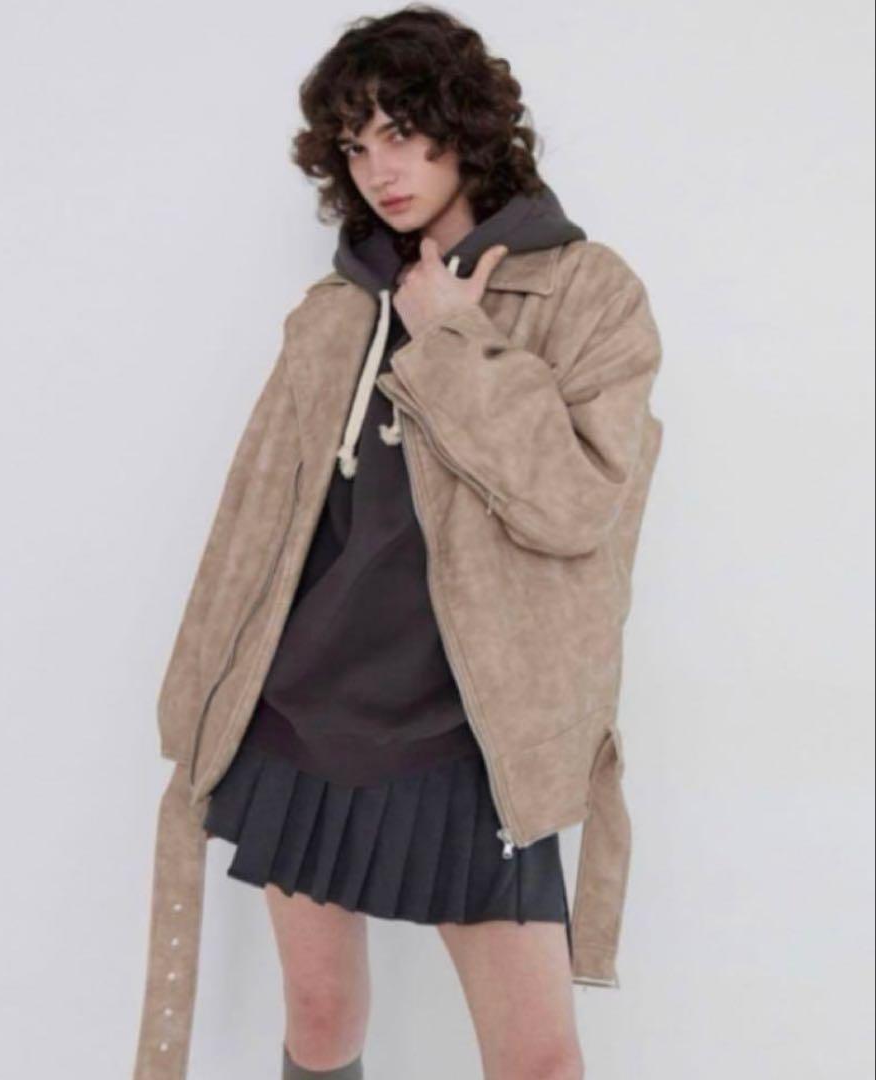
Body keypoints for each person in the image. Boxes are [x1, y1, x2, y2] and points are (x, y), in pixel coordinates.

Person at [132, 7, 664, 1080]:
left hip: (478, 738)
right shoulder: (333, 312)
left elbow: (578, 507)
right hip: (305, 713)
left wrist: (454, 337)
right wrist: (197, 702)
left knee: (537, 1061)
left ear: (463, 126)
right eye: (355, 143)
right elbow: (254, 522)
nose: (379, 168)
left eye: (401, 132)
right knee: (321, 1021)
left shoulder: (585, 292)